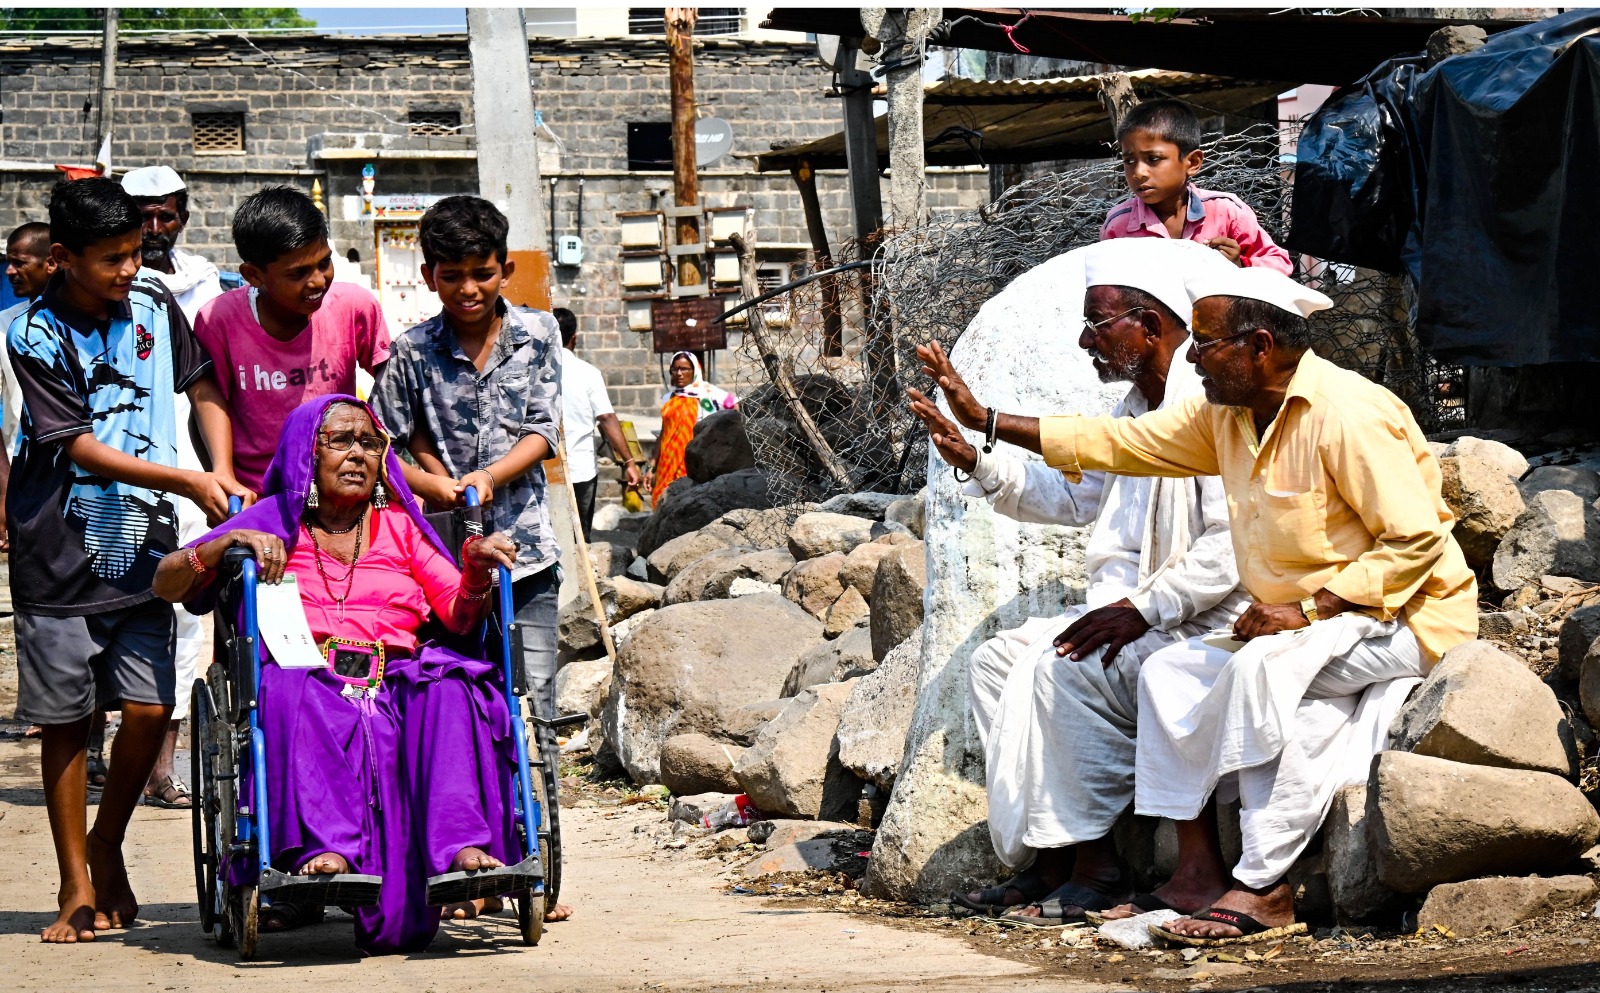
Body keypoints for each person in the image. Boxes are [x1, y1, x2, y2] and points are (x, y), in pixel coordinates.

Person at [1027, 264, 1475, 945]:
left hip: (1404, 614)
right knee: (1169, 673)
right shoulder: (1229, 417)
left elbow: (1415, 540)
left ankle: (1263, 886)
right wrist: (991, 423)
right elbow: (1124, 444)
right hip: (1310, 621)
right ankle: (1198, 872)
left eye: (1204, 343)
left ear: (1259, 346)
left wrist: (1312, 608)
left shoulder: (1347, 413)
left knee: (1257, 673)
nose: (1192, 357)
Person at [910, 239, 1249, 925]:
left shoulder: (1210, 405)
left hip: (1197, 620)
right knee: (998, 662)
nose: (1083, 339)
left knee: (1058, 668)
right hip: (1130, 615)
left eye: (1098, 323)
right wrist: (977, 460)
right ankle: (1055, 858)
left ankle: (1096, 864)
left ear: (1151, 327)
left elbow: (1235, 541)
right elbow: (1069, 496)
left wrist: (1144, 607)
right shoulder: (1131, 411)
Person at [153, 396, 531, 953]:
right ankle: (326, 851)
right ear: (307, 452)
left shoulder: (402, 528)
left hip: (394, 677)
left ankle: (461, 851)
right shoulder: (271, 518)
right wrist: (225, 542)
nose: (358, 454)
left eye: (370, 443)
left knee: (451, 687)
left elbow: (458, 613)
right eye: (341, 441)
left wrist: (473, 569)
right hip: (309, 676)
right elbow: (165, 582)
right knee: (288, 687)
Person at [8, 177, 247, 944]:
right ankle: (77, 879)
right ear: (62, 257)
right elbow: (75, 444)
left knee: (148, 707)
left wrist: (222, 464)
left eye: (134, 253)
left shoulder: (154, 304)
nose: (125, 270)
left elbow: (201, 384)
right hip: (57, 547)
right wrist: (185, 477)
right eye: (109, 258)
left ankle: (108, 840)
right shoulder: (31, 334)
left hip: (141, 544)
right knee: (69, 721)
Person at [368, 195, 571, 923]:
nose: (468, 289)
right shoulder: (412, 352)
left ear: (504, 269)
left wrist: (489, 477)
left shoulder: (540, 335)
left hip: (528, 560)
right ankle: (461, 861)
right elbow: (381, 448)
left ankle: (536, 863)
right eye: (452, 274)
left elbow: (544, 431)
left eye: (482, 273)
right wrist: (436, 485)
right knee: (455, 710)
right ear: (429, 275)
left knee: (531, 712)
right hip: (439, 572)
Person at [122, 164, 226, 811]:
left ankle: (163, 765)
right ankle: (115, 754)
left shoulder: (204, 282)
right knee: (115, 604)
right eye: (143, 217)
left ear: (182, 217)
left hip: (189, 463)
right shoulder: (107, 283)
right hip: (119, 462)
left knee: (187, 606)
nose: (155, 229)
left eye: (166, 216)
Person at [193, 185, 390, 493]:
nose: (317, 281)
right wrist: (224, 477)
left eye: (324, 263)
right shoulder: (219, 320)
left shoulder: (354, 307)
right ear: (254, 275)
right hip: (259, 497)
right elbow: (208, 402)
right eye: (297, 273)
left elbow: (396, 390)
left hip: (342, 495)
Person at [1101, 100, 1293, 275]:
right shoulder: (1119, 225)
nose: (1138, 172)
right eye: (1129, 160)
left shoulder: (1226, 213)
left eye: (1153, 159)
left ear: (1192, 162)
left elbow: (1280, 264)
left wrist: (1240, 266)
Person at [554, 306, 643, 538]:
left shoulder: (532, 372)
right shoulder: (587, 372)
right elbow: (606, 418)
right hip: (580, 469)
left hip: (542, 469)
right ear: (575, 338)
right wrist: (629, 462)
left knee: (551, 532)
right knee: (580, 535)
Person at [647, 350, 736, 507]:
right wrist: (651, 467)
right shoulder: (669, 398)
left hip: (693, 460)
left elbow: (735, 405)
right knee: (664, 502)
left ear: (695, 370)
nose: (679, 373)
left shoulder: (707, 393)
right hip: (667, 463)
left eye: (685, 369)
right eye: (675, 369)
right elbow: (663, 434)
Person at [2, 221, 55, 452]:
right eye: (8, 262)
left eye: (19, 263)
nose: (9, 271)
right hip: (22, 469)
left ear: (51, 263)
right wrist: (5, 485)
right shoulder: (3, 325)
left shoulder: (90, 322)